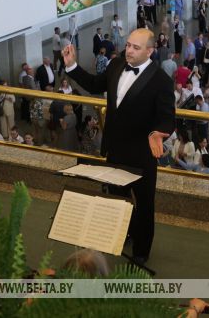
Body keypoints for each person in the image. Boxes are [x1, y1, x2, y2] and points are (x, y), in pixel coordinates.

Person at [62, 29, 175, 264]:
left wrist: (157, 133)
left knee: (144, 205)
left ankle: (142, 252)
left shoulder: (161, 81)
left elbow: (167, 118)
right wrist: (72, 66)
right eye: (128, 45)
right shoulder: (115, 65)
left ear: (150, 51)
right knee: (117, 199)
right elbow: (94, 84)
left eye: (136, 47)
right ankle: (125, 233)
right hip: (114, 148)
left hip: (142, 153)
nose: (129, 51)